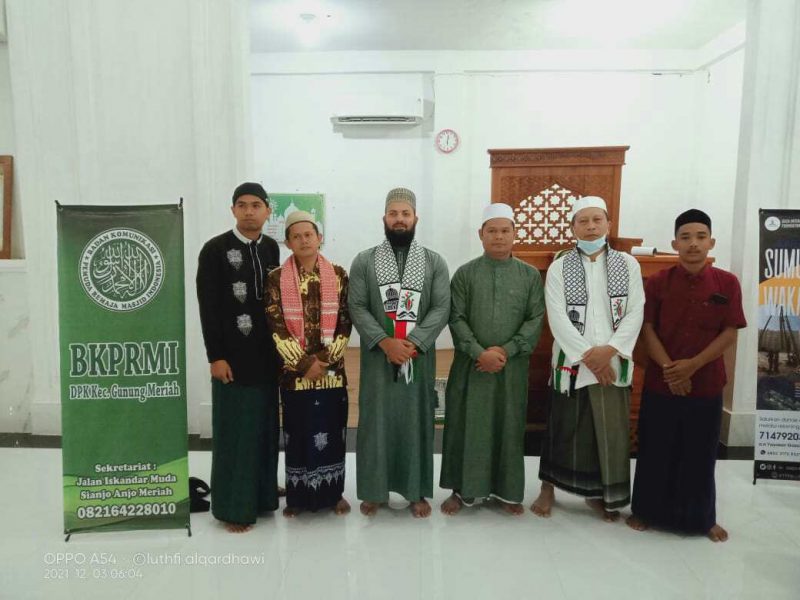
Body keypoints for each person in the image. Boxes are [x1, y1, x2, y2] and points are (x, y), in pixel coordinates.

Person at [627, 209, 746, 542]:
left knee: (700, 452)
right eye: (686, 237)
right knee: (656, 449)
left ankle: (702, 518)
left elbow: (730, 331)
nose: (693, 243)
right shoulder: (658, 282)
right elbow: (647, 329)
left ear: (711, 242)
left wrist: (692, 366)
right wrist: (670, 370)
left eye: (700, 237)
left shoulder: (727, 283)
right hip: (661, 382)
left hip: (705, 382)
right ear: (674, 243)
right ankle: (645, 512)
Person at [533, 196, 644, 521]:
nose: (591, 226)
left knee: (608, 433)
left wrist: (609, 351)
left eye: (597, 219)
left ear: (609, 223)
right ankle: (548, 488)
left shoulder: (628, 264)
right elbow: (557, 316)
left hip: (613, 361)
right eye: (583, 221)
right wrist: (588, 356)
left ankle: (599, 495)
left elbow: (635, 311)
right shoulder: (560, 266)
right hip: (573, 363)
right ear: (573, 227)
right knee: (563, 429)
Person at [348, 187, 450, 518]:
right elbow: (357, 306)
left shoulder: (434, 262)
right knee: (375, 422)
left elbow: (441, 307)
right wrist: (385, 341)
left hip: (417, 359)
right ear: (384, 218)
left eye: (405, 214)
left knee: (416, 421)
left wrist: (414, 342)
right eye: (393, 214)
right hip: (378, 359)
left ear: (415, 218)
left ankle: (416, 491)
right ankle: (374, 491)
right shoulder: (365, 261)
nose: (399, 219)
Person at [440, 203, 545, 516]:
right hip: (471, 367)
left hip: (511, 368)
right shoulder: (465, 274)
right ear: (481, 234)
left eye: (504, 231)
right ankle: (463, 491)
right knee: (468, 425)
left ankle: (507, 492)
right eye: (492, 231)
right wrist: (479, 353)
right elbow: (456, 317)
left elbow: (535, 318)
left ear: (514, 234)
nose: (498, 236)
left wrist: (507, 351)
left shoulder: (529, 276)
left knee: (508, 425)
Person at [196, 182, 281, 533]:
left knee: (264, 430)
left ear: (267, 211)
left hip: (267, 359)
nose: (249, 211)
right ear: (233, 210)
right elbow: (209, 308)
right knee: (235, 434)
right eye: (242, 205)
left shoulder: (271, 248)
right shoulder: (215, 250)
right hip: (232, 361)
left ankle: (262, 497)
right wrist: (215, 356)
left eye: (256, 205)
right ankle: (233, 507)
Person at [265, 210, 352, 518]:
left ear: (319, 238)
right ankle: (298, 497)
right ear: (288, 242)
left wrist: (324, 362)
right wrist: (303, 364)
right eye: (296, 236)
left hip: (331, 373)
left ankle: (333, 493)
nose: (303, 241)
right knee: (298, 433)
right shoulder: (276, 279)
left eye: (308, 235)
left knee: (332, 431)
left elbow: (345, 321)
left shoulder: (338, 275)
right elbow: (275, 325)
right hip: (294, 374)